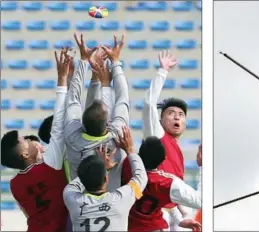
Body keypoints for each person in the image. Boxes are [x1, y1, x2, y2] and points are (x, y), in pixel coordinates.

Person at [0, 48, 72, 232]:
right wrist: (63, 79)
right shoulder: (51, 163)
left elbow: (27, 213)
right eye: (24, 140)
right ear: (25, 153)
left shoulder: (15, 184)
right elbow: (60, 120)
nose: (30, 140)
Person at [64, 33, 130, 191]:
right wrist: (115, 62)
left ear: (82, 124)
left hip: (79, 206)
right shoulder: (117, 137)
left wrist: (84, 63)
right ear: (107, 125)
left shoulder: (72, 135)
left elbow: (73, 99)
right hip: (113, 206)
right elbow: (122, 98)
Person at [139, 50, 193, 227]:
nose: (177, 117)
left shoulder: (178, 151)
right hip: (154, 212)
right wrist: (163, 71)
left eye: (181, 115)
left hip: (172, 213)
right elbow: (148, 104)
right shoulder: (156, 135)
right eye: (171, 113)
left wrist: (181, 216)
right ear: (160, 120)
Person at [63, 126, 148, 231]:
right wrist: (129, 150)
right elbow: (141, 178)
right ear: (106, 179)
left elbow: (80, 180)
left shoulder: (71, 198)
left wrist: (101, 169)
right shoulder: (121, 199)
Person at [122, 136, 201, 232]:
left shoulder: (126, 166)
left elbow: (142, 194)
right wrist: (203, 166)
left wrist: (129, 151)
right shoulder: (167, 183)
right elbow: (200, 201)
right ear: (164, 159)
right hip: (153, 228)